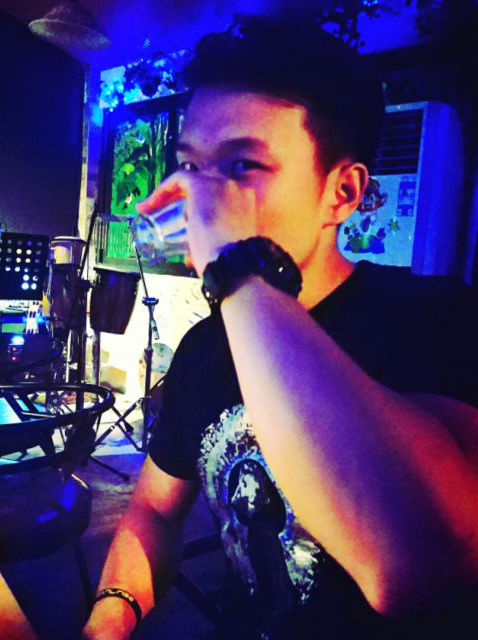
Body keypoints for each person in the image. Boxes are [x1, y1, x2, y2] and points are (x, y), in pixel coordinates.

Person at [83, 15, 478, 640]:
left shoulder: (439, 320)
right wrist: (112, 612)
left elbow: (415, 565)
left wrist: (237, 267)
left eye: (242, 167)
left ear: (342, 193)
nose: (199, 198)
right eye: (190, 166)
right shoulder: (205, 348)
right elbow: (154, 510)